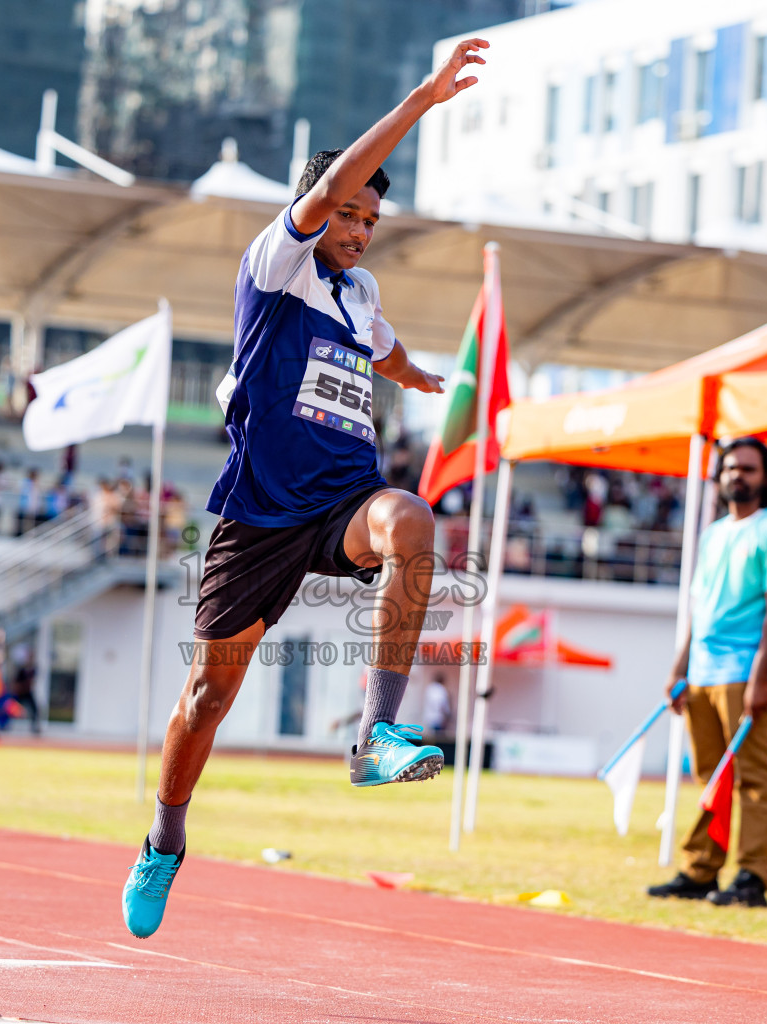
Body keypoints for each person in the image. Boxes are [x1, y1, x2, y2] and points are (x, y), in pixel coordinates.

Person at [121, 37, 486, 940]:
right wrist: (420, 104)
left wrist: (416, 377)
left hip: (342, 501)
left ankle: (375, 738)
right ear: (315, 209)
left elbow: (385, 347)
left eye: (371, 221)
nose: (359, 230)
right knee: (208, 697)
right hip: (258, 512)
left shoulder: (361, 295)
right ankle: (164, 839)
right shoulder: (274, 264)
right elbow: (331, 189)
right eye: (348, 213)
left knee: (412, 520)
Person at [648, 437, 767, 909]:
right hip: (701, 673)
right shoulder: (713, 533)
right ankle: (700, 870)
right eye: (731, 468)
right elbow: (699, 608)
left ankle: (752, 876)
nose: (738, 475)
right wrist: (679, 667)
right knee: (710, 777)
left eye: (749, 469)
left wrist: (759, 677)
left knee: (753, 777)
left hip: (743, 672)